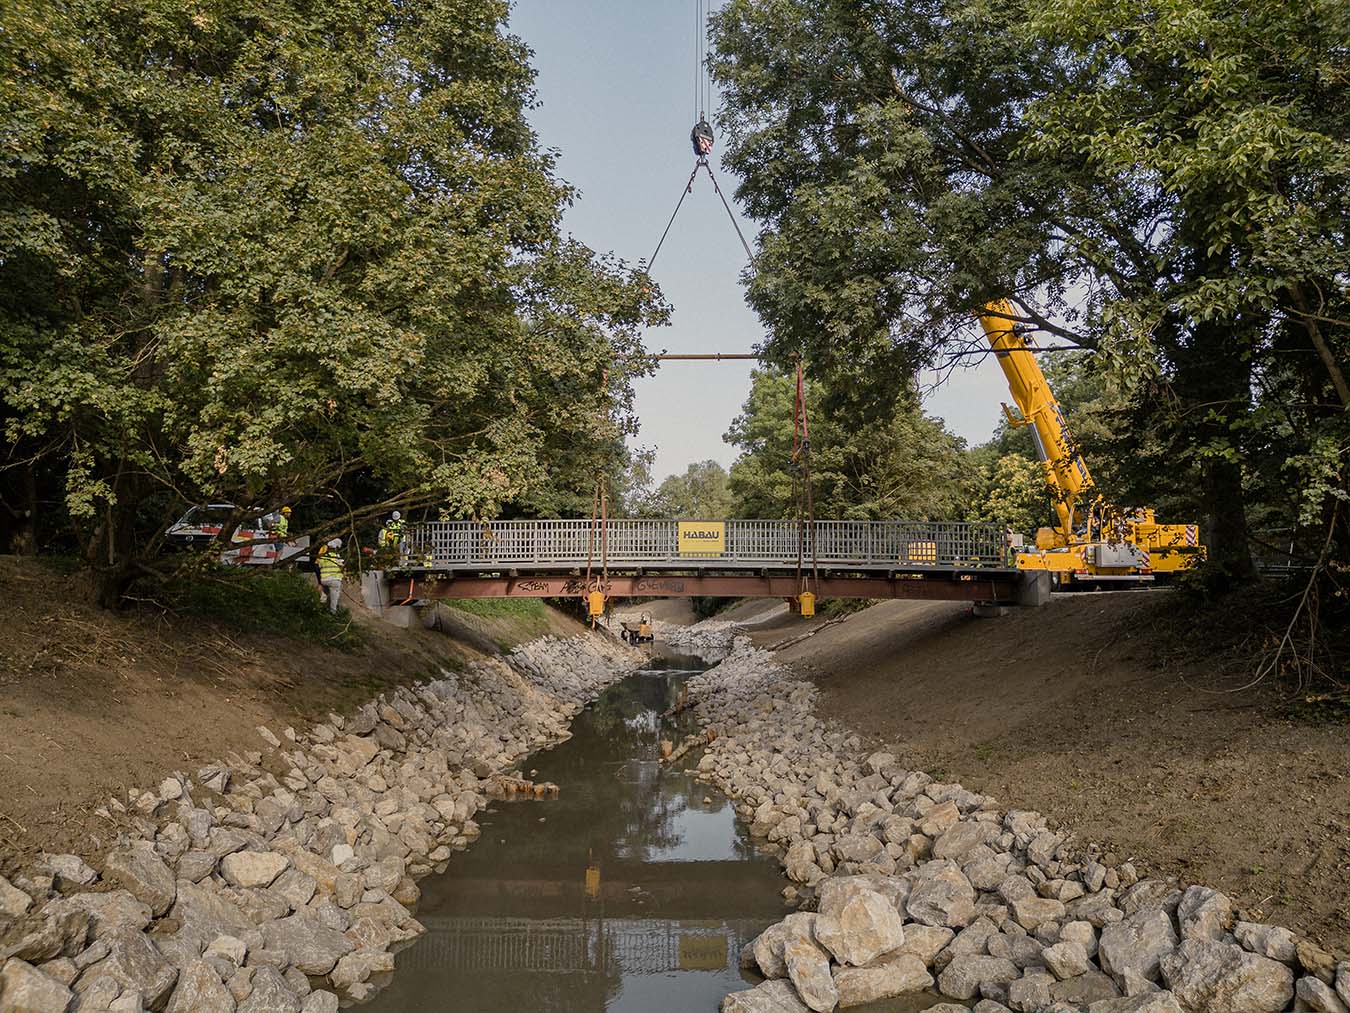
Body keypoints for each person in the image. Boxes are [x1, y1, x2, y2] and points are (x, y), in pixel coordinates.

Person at [316, 537, 345, 614]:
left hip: (324, 580)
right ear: (336, 548)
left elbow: (319, 566)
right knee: (334, 599)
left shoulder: (323, 556)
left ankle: (322, 604)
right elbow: (342, 567)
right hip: (334, 580)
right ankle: (333, 613)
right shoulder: (337, 557)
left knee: (325, 592)